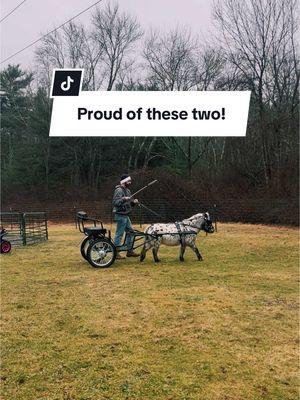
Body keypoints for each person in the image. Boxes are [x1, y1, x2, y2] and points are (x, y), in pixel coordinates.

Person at [112, 174, 139, 259]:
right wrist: (123, 199)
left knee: (131, 232)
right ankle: (116, 253)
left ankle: (129, 250)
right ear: (124, 181)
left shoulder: (128, 190)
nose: (130, 182)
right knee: (119, 234)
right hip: (120, 215)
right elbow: (115, 202)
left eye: (130, 181)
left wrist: (134, 202)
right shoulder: (119, 190)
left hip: (126, 215)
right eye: (128, 181)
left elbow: (129, 203)